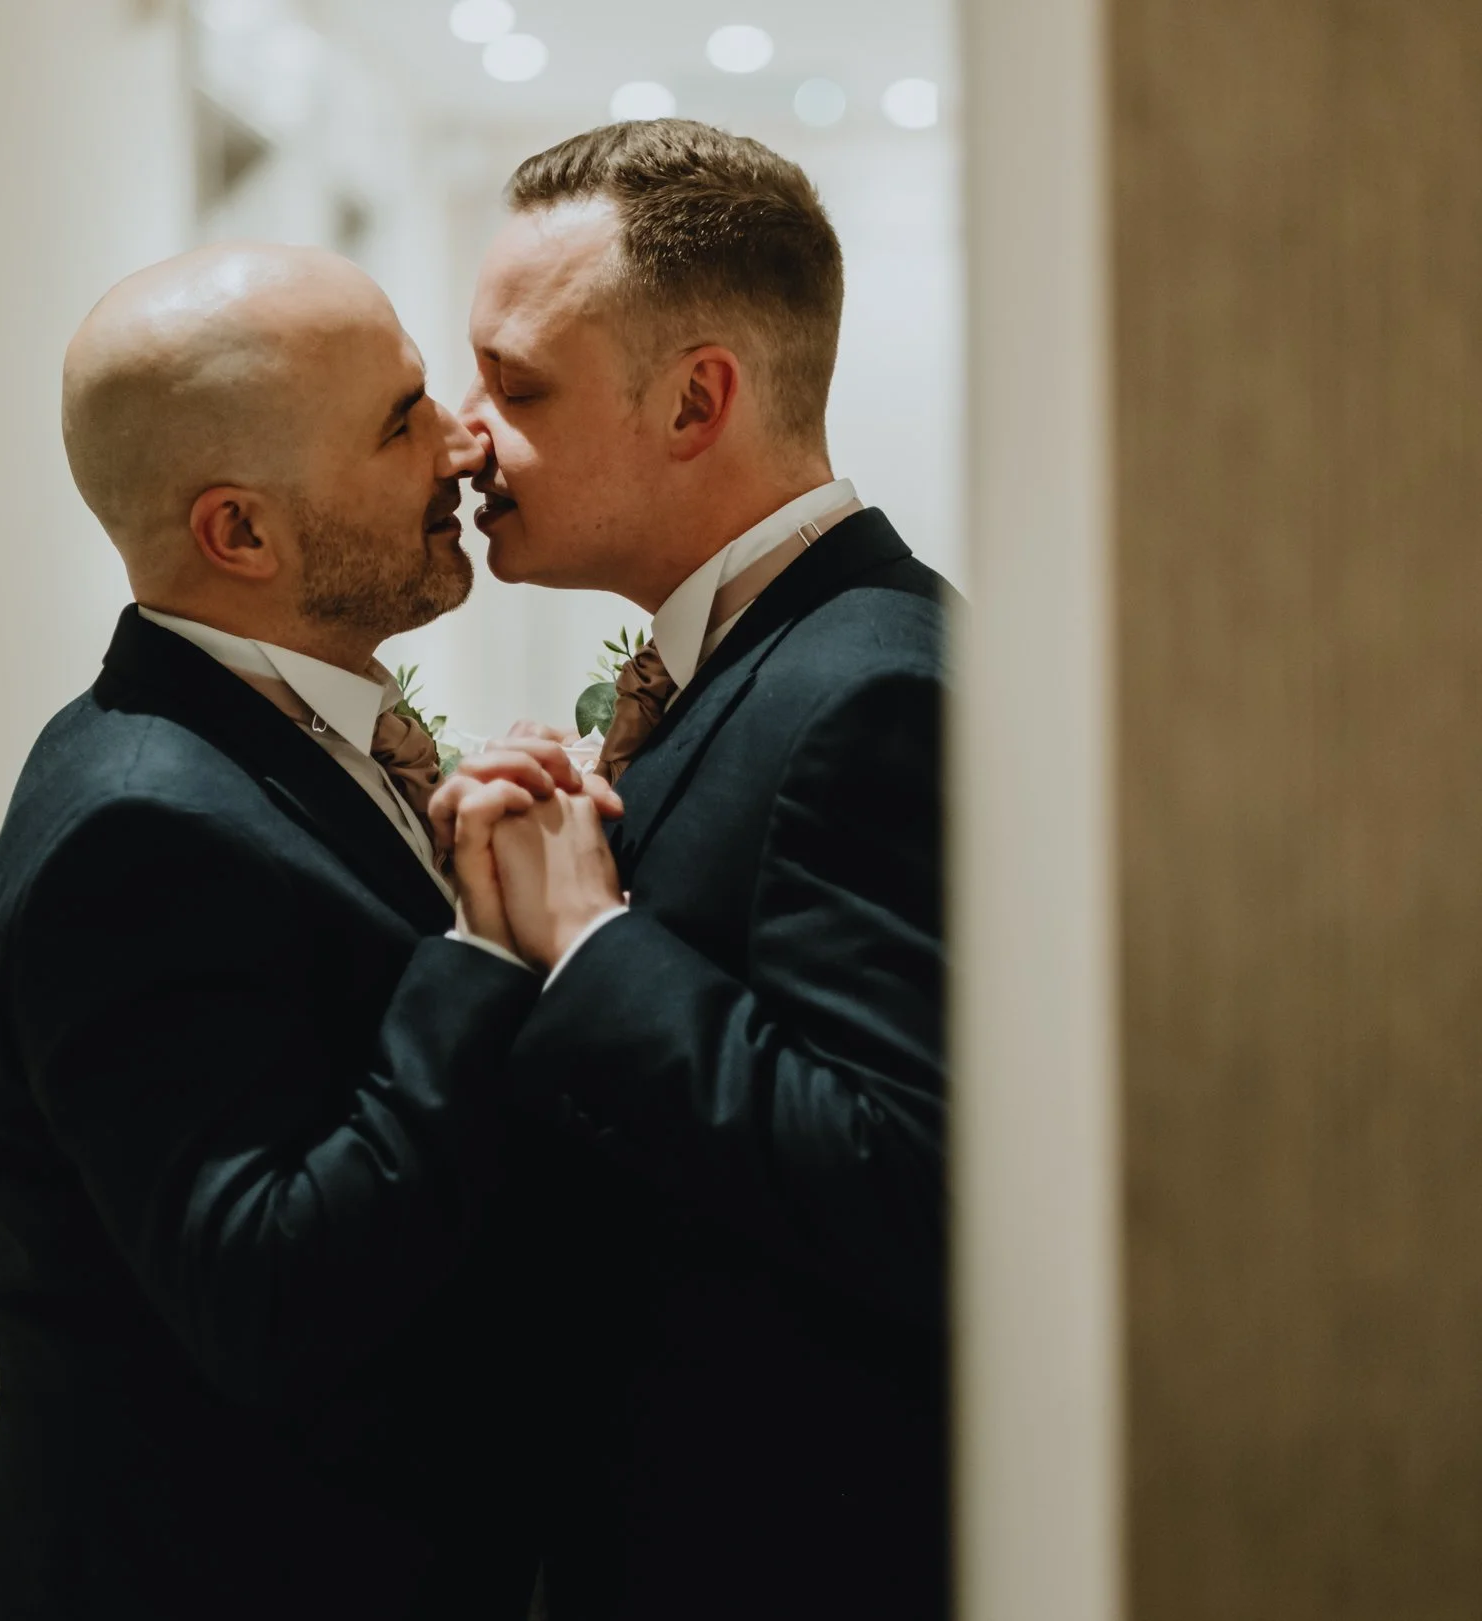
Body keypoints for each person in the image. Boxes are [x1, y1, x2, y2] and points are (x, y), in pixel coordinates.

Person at [0, 242, 579, 1620]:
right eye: (403, 419)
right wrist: (478, 955)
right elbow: (274, 1291)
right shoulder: (140, 830)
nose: (464, 442)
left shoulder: (272, 744)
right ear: (241, 534)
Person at [435, 119, 959, 1618]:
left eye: (519, 387)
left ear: (695, 399)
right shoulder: (777, 659)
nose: (470, 433)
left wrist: (594, 941)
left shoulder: (872, 689)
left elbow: (912, 1184)